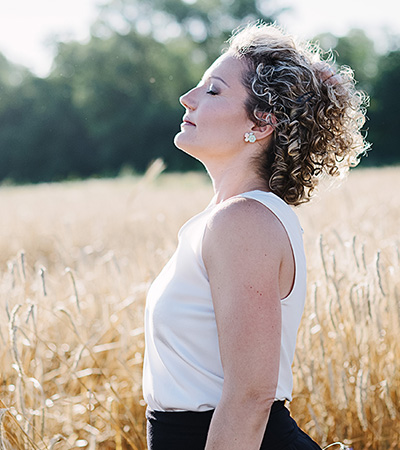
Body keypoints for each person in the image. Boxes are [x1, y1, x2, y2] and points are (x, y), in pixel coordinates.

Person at [142, 22, 368, 450]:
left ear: (261, 124)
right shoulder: (228, 218)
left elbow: (250, 397)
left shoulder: (243, 221)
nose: (186, 98)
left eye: (213, 90)